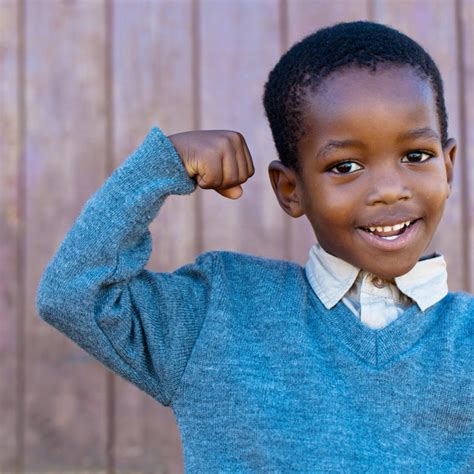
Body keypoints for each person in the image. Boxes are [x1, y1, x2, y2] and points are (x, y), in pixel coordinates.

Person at [36, 21, 473, 471]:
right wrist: (159, 167)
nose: (388, 189)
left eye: (416, 156)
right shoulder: (220, 312)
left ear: (449, 166)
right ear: (290, 189)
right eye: (345, 166)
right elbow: (73, 295)